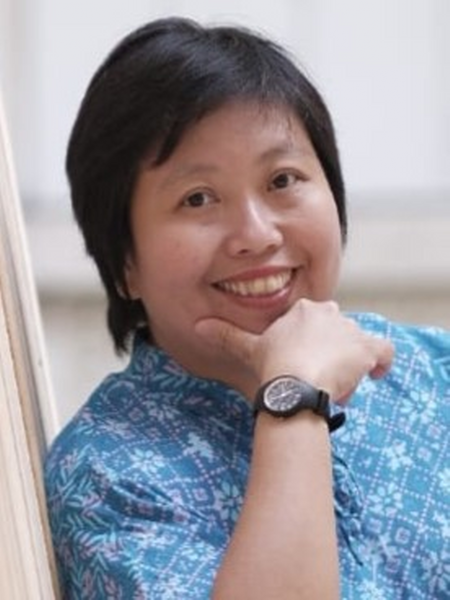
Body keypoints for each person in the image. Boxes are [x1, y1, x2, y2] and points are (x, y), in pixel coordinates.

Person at [44, 16, 450, 599]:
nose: (256, 235)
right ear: (125, 260)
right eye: (198, 198)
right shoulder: (106, 478)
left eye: (282, 180)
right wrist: (295, 392)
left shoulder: (431, 371)